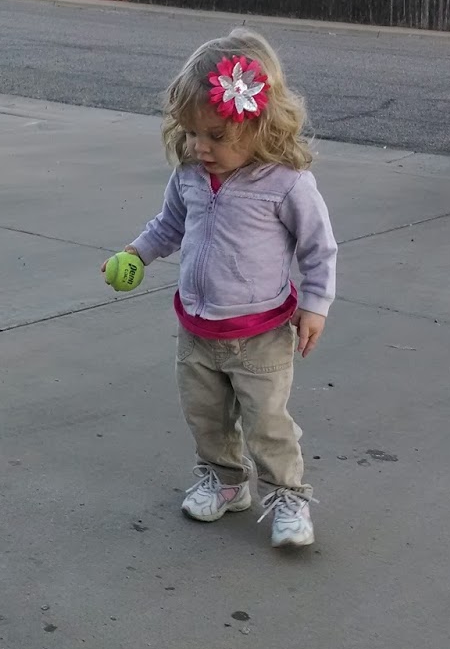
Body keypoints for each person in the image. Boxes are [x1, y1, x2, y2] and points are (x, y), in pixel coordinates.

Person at [107, 27, 338, 548]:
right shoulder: (189, 175)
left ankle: (288, 496)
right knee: (206, 416)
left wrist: (316, 304)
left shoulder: (287, 183)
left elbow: (319, 248)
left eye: (215, 135)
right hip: (197, 329)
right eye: (191, 132)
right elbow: (169, 225)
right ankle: (226, 481)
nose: (199, 147)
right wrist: (136, 253)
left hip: (261, 334)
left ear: (258, 123)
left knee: (267, 423)